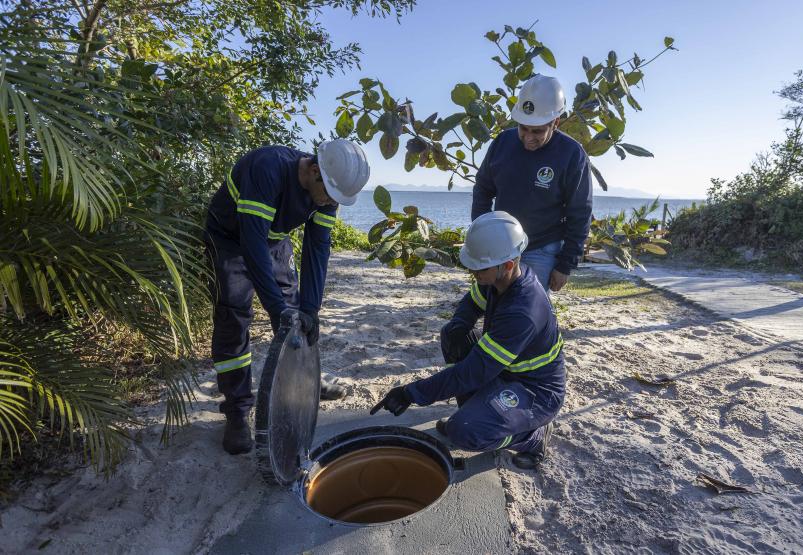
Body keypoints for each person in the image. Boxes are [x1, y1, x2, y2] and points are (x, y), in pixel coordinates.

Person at [204, 140, 370, 455]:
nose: (328, 203)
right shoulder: (267, 168)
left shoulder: (329, 193)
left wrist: (311, 308)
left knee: (298, 315)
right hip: (229, 239)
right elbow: (251, 245)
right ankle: (237, 411)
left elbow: (318, 246)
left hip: (273, 241)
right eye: (329, 195)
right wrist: (276, 308)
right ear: (313, 170)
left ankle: (304, 384)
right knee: (233, 318)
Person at [371, 211, 565, 469]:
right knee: (452, 334)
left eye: (479, 268)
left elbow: (470, 373)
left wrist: (411, 393)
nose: (473, 272)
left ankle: (532, 436)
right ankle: (477, 412)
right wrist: (459, 326)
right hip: (505, 374)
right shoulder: (497, 279)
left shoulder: (523, 312)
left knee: (465, 432)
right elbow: (470, 305)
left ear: (507, 264)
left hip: (535, 392)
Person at [471, 74, 593, 293]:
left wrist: (566, 264)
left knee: (528, 309)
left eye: (537, 131)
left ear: (555, 122)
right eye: (523, 128)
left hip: (542, 249)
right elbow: (482, 190)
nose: (528, 137)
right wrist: (483, 234)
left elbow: (580, 213)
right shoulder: (502, 143)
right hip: (500, 248)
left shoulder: (572, 155)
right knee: (492, 304)